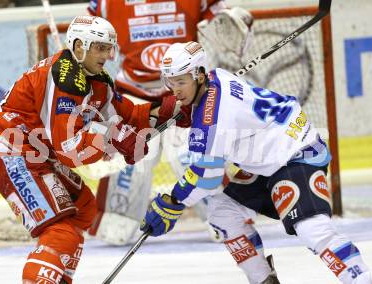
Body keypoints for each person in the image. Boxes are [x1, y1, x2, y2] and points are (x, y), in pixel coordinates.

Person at [0, 15, 182, 283]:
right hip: (7, 150)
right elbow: (68, 148)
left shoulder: (96, 80)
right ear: (79, 46)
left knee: (83, 208)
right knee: (60, 231)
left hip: (33, 151)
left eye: (109, 47)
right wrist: (114, 140)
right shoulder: (66, 79)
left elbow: (128, 114)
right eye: (100, 47)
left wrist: (171, 108)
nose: (108, 55)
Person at [140, 41, 372, 284]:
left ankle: (362, 280)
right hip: (267, 158)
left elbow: (207, 176)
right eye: (171, 82)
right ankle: (264, 280)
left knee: (312, 229)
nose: (175, 90)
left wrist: (174, 201)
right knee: (222, 213)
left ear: (199, 75)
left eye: (181, 82)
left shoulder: (213, 116)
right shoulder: (216, 76)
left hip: (295, 153)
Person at [86, 0, 255, 246]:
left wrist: (234, 19)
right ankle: (116, 217)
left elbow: (221, 17)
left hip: (185, 88)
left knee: (191, 153)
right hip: (135, 90)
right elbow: (93, 31)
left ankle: (225, 216)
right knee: (133, 154)